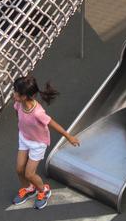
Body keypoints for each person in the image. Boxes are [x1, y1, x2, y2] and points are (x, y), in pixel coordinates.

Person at [10, 74, 80, 208]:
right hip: (24, 138)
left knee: (29, 173)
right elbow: (19, 117)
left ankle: (43, 190)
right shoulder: (18, 104)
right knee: (19, 169)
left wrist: (68, 136)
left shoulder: (37, 113)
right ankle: (29, 189)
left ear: (24, 96)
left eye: (16, 93)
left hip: (38, 143)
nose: (14, 94)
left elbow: (52, 123)